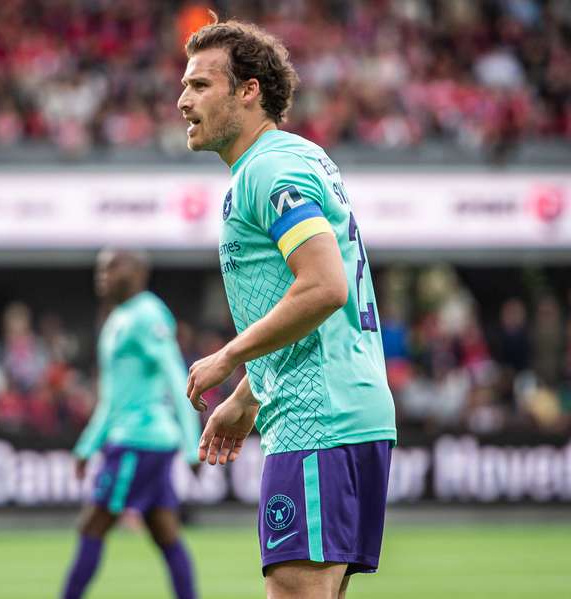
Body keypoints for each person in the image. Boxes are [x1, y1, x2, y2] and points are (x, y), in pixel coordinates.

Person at [178, 14, 397, 599]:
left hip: (316, 423)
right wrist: (249, 396)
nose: (183, 100)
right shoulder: (297, 157)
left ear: (248, 90)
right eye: (184, 85)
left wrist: (228, 357)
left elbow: (325, 287)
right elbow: (307, 306)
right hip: (342, 412)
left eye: (200, 85)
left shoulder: (269, 168)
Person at [61, 248, 201, 599]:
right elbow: (112, 399)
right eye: (99, 268)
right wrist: (87, 446)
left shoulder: (147, 315)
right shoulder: (116, 320)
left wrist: (192, 445)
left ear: (138, 272)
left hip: (139, 440)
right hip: (134, 438)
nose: (102, 274)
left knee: (92, 524)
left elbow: (175, 376)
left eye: (111, 267)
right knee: (164, 532)